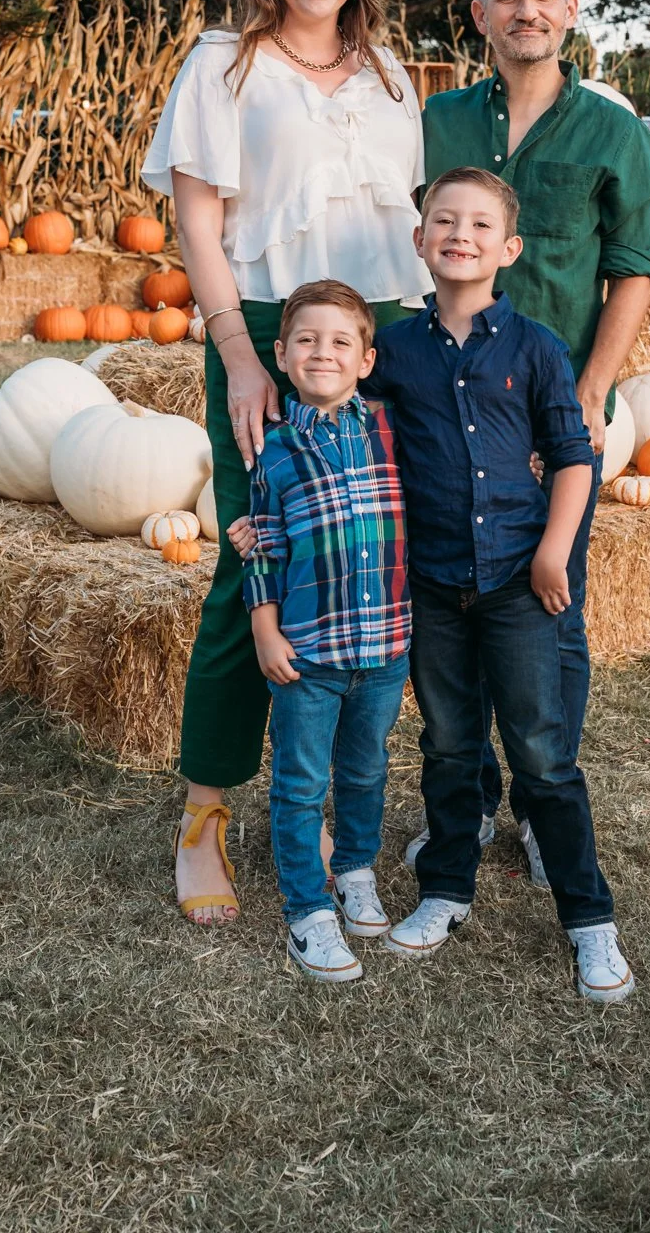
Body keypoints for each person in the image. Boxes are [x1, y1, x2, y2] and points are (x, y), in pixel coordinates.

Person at [141, 0, 427, 925]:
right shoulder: (226, 65)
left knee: (369, 562)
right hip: (268, 331)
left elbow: (419, 222)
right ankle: (206, 809)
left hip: (383, 336)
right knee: (253, 560)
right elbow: (200, 225)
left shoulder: (395, 78)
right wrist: (240, 354)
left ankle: (318, 806)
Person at [414, 0, 650, 884]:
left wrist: (593, 390)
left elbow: (633, 269)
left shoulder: (611, 132)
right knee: (452, 603)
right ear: (479, 17)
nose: (525, 8)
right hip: (441, 403)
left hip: (548, 415)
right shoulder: (433, 120)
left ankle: (540, 791)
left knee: (549, 606)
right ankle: (469, 797)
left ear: (568, 12)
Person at [370, 167, 634, 1003]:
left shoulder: (537, 349)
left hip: (523, 583)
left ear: (508, 248)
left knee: (543, 753)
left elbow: (572, 457)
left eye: (480, 225)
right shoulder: (394, 352)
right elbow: (359, 441)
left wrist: (555, 550)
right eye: (443, 221)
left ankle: (590, 921)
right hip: (434, 587)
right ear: (419, 241)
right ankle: (445, 891)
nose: (460, 235)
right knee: (448, 746)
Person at [242, 279, 410, 983]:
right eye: (306, 340)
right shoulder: (275, 454)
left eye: (341, 341)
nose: (323, 352)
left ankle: (354, 870)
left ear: (365, 360)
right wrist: (264, 628)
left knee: (366, 768)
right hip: (308, 652)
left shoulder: (396, 432)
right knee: (301, 782)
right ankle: (307, 911)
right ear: (281, 354)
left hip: (387, 647)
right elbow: (265, 547)